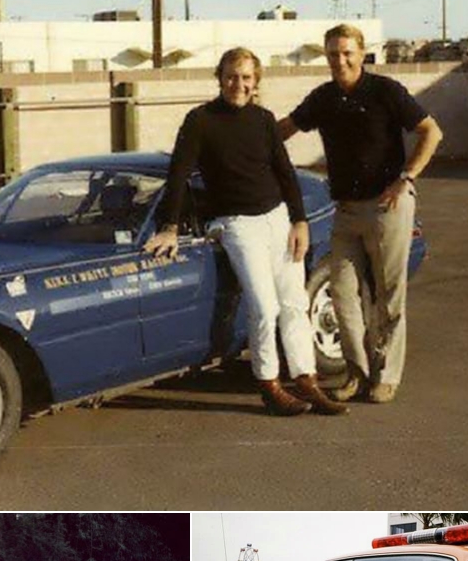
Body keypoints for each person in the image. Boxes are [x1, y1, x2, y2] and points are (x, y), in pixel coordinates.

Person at [145, 46, 347, 417]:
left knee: (294, 304)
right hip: (237, 225)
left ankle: (306, 380)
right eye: (232, 77)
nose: (239, 84)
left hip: (278, 219)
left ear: (256, 82)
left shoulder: (264, 119)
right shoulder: (200, 120)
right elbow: (178, 175)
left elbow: (285, 173)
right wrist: (170, 227)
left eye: (246, 78)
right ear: (220, 78)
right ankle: (269, 384)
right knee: (264, 306)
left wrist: (299, 221)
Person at [279, 24, 443, 404]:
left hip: (388, 207)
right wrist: (247, 141)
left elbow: (431, 132)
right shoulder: (323, 98)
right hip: (346, 211)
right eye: (334, 54)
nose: (341, 60)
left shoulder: (386, 92)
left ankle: (386, 375)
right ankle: (356, 371)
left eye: (347, 53)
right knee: (342, 293)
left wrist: (407, 178)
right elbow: (285, 128)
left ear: (361, 52)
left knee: (388, 296)